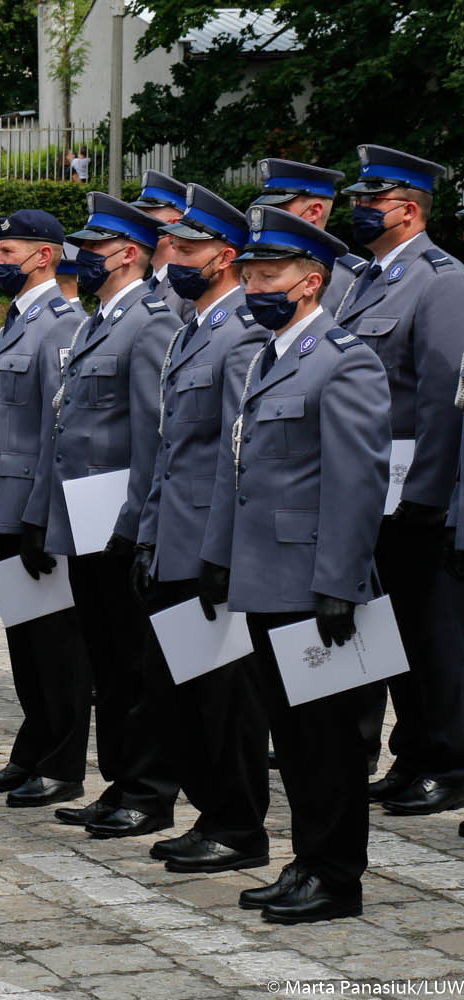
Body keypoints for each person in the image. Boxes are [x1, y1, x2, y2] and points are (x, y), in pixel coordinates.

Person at [202, 205, 390, 924]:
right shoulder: (264, 357)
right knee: (293, 734)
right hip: (266, 578)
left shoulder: (345, 360)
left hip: (316, 585)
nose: (254, 285)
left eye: (268, 273)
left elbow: (357, 480)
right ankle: (308, 859)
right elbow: (237, 466)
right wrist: (218, 555)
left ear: (310, 282)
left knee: (329, 741)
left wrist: (340, 581)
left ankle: (337, 875)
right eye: (248, 273)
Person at [25, 191, 178, 838]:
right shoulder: (94, 322)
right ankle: (117, 781)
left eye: (92, 249)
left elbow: (153, 435)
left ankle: (148, 788)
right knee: (107, 664)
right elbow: (64, 428)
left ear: (128, 254)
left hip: (119, 521)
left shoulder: (151, 321)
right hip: (83, 520)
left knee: (138, 664)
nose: (80, 258)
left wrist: (137, 524)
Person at [132, 186, 272, 874]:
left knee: (222, 700)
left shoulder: (241, 332)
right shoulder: (192, 327)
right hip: (175, 541)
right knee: (180, 695)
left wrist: (219, 550)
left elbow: (235, 455)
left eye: (188, 249)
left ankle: (239, 825)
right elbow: (171, 448)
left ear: (225, 257)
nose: (173, 257)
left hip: (209, 548)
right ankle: (211, 812)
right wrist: (152, 534)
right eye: (173, 246)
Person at [330, 146, 464, 817]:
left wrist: (429, 496)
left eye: (370, 202)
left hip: (414, 491)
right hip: (369, 488)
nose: (358, 211)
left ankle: (447, 759)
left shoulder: (440, 280)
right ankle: (410, 753)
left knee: (430, 632)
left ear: (409, 211)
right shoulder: (365, 279)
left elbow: (443, 396)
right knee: (391, 633)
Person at [0, 210, 91, 808]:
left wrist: (42, 513)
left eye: (9, 249)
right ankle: (33, 749)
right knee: (26, 639)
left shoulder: (60, 324)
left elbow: (57, 425)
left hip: (29, 509)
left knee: (55, 645)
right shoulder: (21, 320)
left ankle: (63, 761)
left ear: (44, 256)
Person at [253, 157, 368, 314]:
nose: (268, 216)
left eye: (279, 210)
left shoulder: (354, 277)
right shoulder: (251, 267)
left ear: (314, 212)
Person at [131, 170, 195, 322]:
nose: (138, 226)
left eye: (146, 219)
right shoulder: (142, 287)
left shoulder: (188, 289)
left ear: (174, 225)